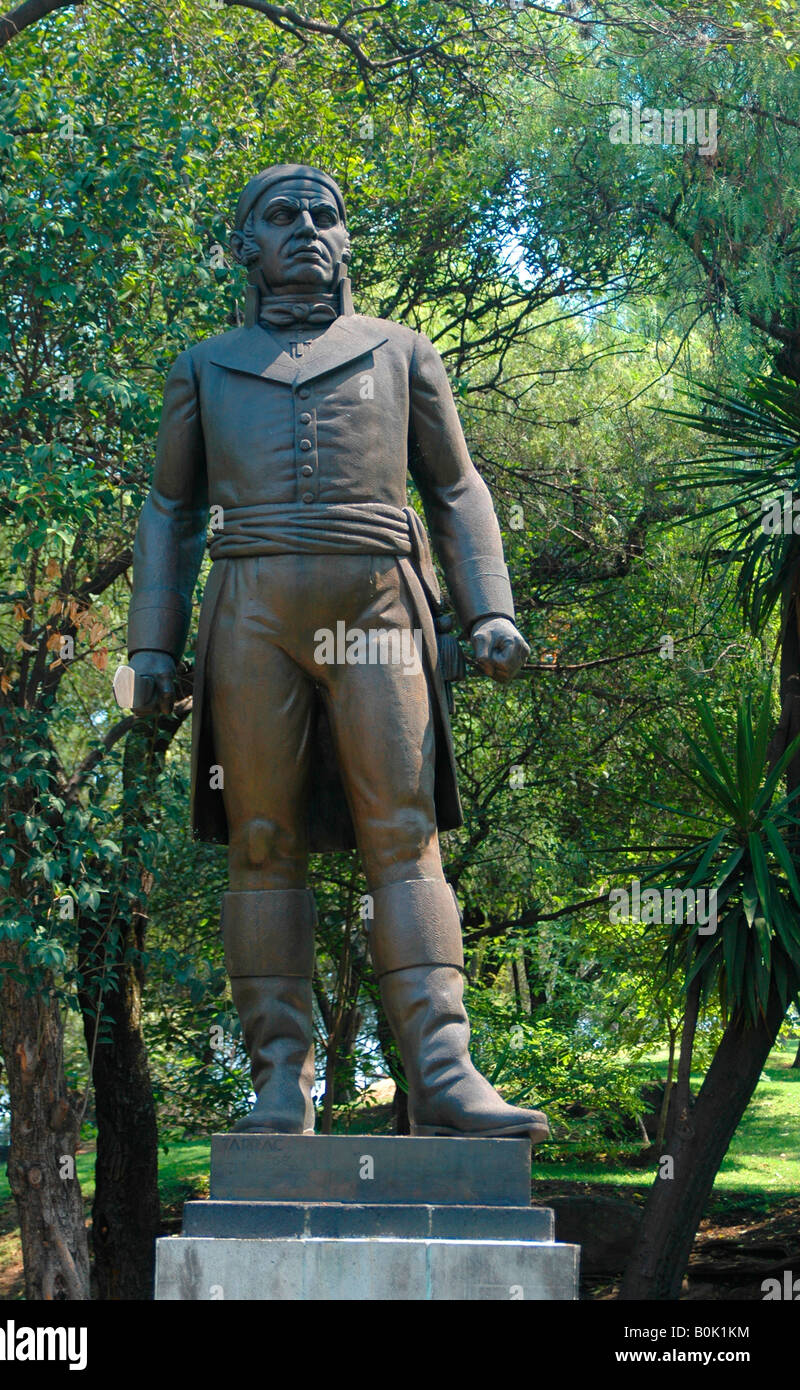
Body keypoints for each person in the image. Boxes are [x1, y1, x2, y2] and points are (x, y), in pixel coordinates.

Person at [125, 163, 548, 1142]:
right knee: (261, 838)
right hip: (252, 609)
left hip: (379, 603)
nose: (308, 229)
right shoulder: (203, 365)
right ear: (247, 246)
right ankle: (281, 1081)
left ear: (348, 241)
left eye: (326, 215)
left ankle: (445, 1071)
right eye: (282, 216)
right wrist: (153, 644)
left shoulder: (402, 353)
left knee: (403, 833)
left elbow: (457, 487)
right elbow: (169, 508)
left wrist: (490, 609)